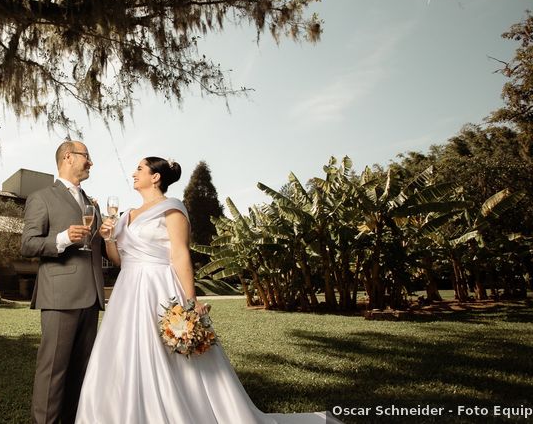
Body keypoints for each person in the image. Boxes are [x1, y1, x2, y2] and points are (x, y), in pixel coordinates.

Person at [76, 157, 341, 424]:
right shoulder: (126, 215)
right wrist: (109, 237)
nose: (134, 174)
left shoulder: (172, 209)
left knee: (166, 353)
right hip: (127, 291)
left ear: (155, 177)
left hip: (158, 287)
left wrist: (190, 303)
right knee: (123, 351)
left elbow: (180, 255)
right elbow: (120, 259)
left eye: (140, 169)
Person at [22, 140, 105, 424]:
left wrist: (108, 233)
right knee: (53, 371)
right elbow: (28, 244)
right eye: (87, 156)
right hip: (59, 295)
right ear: (68, 157)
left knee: (81, 372)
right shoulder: (42, 197)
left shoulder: (92, 203)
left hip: (91, 296)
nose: (91, 162)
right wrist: (63, 238)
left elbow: (99, 248)